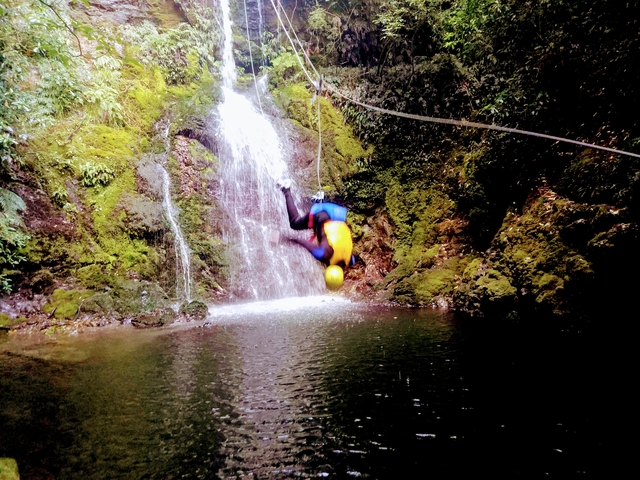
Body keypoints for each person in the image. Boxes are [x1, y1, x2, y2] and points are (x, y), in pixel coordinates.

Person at [278, 180, 353, 290]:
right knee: (295, 223)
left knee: (321, 230)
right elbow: (301, 241)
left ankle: (319, 200)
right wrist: (283, 239)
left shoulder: (349, 259)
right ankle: (286, 189)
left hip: (338, 213)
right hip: (323, 215)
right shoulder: (323, 255)